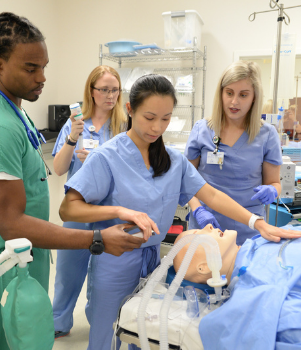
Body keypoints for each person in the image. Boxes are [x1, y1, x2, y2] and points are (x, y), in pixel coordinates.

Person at [58, 74, 301, 350]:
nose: (157, 127)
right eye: (149, 117)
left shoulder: (173, 161)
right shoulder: (107, 157)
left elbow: (211, 195)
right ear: (129, 109)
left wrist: (256, 222)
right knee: (106, 336)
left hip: (153, 260)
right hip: (116, 257)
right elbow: (68, 208)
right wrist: (120, 210)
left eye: (165, 118)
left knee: (142, 332)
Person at [0, 12, 144, 350]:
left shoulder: (14, 109)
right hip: (2, 269)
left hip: (20, 257)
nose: (42, 77)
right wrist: (97, 240)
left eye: (44, 66)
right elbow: (11, 224)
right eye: (30, 68)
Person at [52, 65, 127, 339]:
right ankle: (58, 322)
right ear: (91, 91)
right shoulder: (76, 125)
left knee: (102, 276)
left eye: (115, 90)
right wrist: (72, 138)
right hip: (77, 208)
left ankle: (99, 323)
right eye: (104, 90)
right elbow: (59, 169)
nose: (110, 96)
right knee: (68, 271)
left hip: (108, 209)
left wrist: (101, 163)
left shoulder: (124, 127)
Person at [185, 61, 282, 245]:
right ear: (221, 93)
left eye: (243, 95)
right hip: (206, 224)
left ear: (254, 97)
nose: (234, 101)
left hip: (250, 226)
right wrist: (197, 210)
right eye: (229, 93)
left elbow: (274, 183)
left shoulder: (267, 135)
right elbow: (186, 179)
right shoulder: (202, 129)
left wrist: (273, 191)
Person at [173, 224, 301, 349]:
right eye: (197, 235)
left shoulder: (263, 239)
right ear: (204, 267)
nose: (208, 226)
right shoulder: (255, 296)